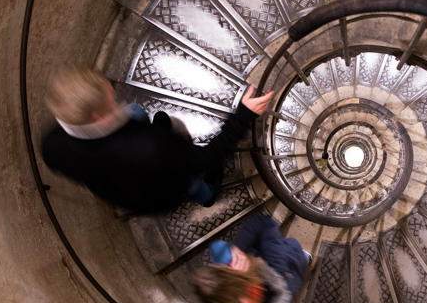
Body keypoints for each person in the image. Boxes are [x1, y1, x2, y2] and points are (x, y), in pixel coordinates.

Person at [41, 68, 272, 212]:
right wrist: (244, 114)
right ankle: (208, 196)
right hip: (158, 190)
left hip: (122, 186)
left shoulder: (52, 145)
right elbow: (208, 158)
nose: (113, 91)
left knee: (138, 112)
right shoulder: (151, 150)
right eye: (109, 96)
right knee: (191, 182)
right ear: (99, 118)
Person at [193, 215, 312, 303]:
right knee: (294, 252)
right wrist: (239, 249)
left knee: (218, 248)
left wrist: (237, 249)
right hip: (290, 270)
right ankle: (304, 259)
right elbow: (264, 222)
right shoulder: (276, 269)